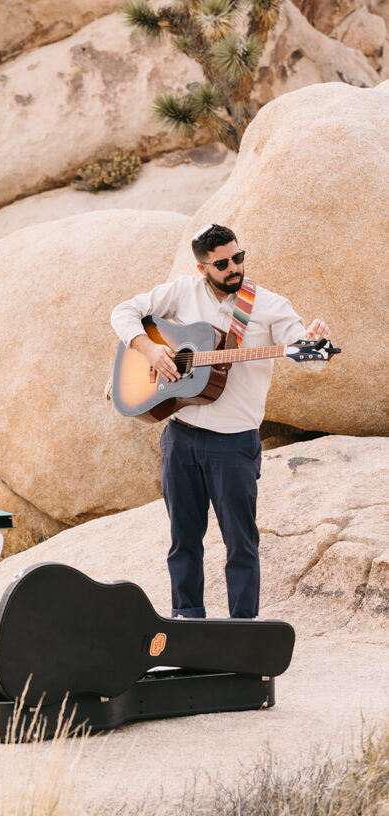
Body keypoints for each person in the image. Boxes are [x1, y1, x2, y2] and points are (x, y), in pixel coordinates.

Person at [110, 223, 330, 620]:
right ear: (202, 268)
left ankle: (242, 634)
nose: (234, 268)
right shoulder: (182, 293)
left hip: (233, 443)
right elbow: (123, 312)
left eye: (238, 258)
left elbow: (307, 359)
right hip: (180, 438)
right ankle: (187, 623)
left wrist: (314, 345)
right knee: (183, 542)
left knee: (241, 545)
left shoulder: (269, 306)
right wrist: (151, 350)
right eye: (223, 263)